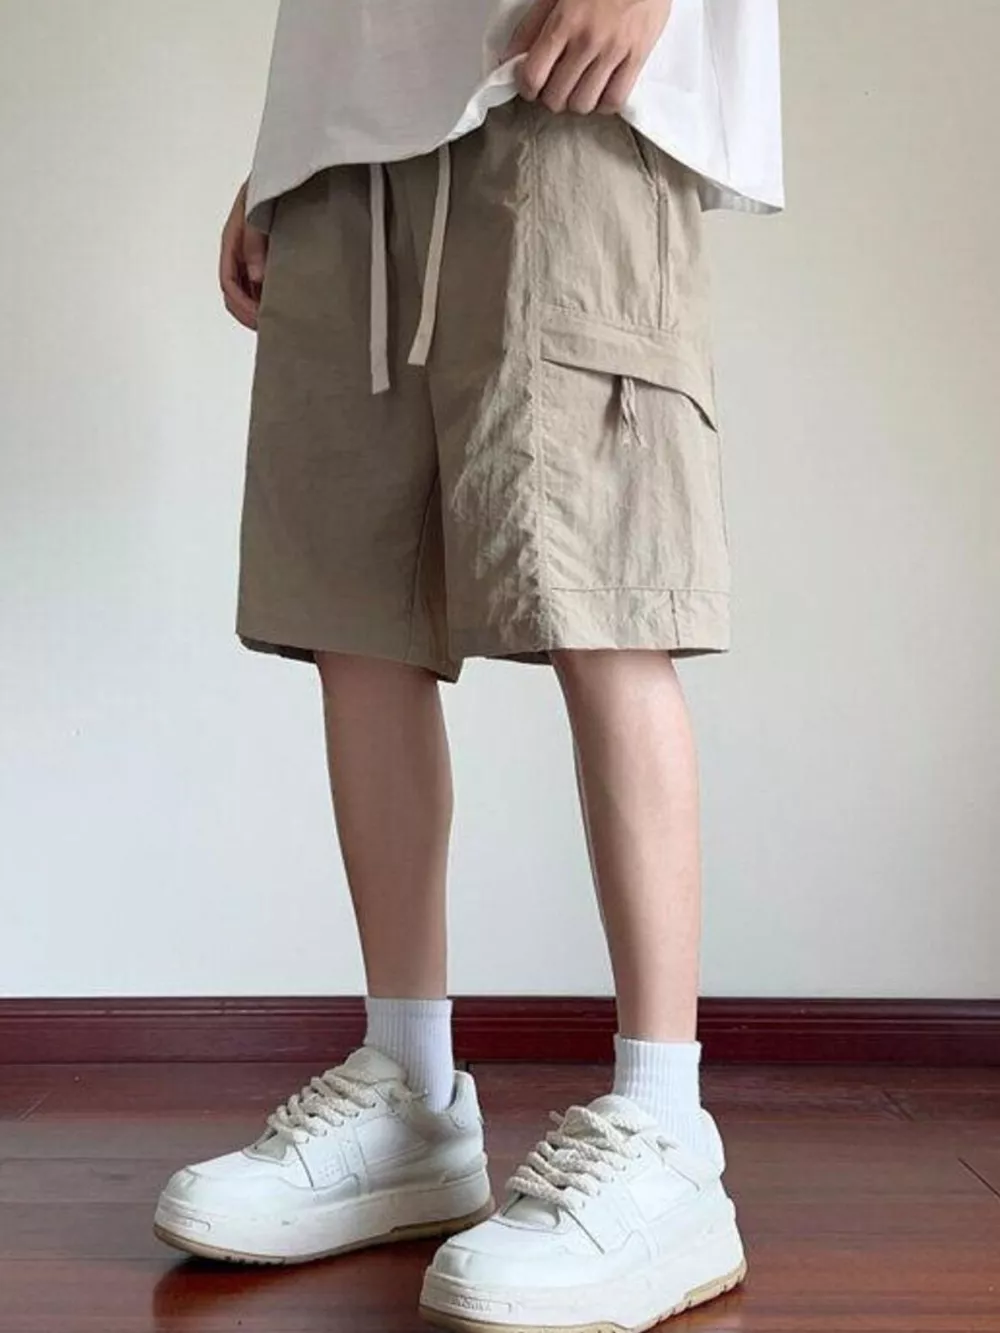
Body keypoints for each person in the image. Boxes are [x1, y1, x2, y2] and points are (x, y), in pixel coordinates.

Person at [154, 1, 783, 1327]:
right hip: (344, 128)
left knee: (607, 596)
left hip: (570, 75)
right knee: (354, 617)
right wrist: (288, 141)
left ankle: (667, 1131)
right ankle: (409, 1092)